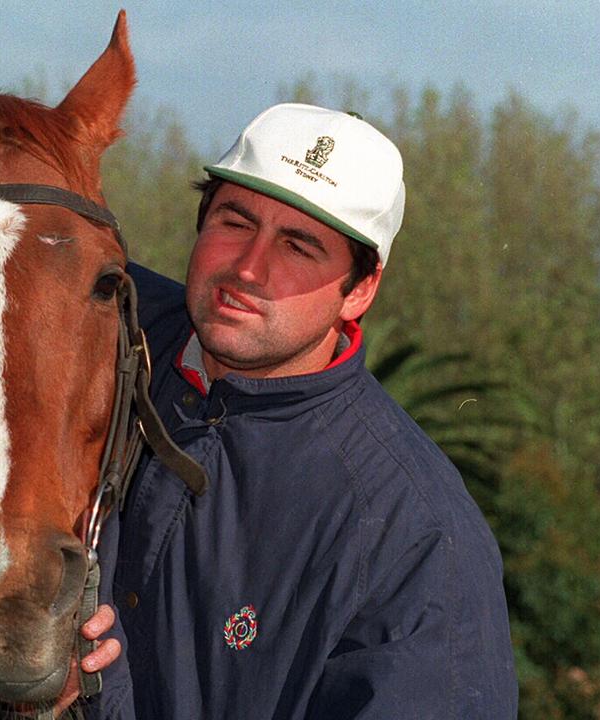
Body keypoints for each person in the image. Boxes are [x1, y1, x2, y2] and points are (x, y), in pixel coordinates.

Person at [98, 104, 518, 718]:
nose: (247, 267)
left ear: (361, 289)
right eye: (235, 221)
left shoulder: (418, 537)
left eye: (299, 246)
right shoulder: (101, 324)